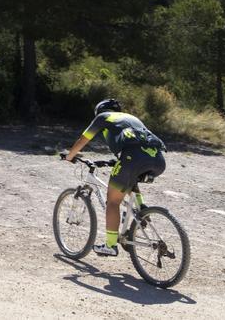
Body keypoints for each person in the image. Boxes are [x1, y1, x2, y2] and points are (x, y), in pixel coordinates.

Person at [63, 98, 167, 256]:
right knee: (130, 179)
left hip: (133, 158)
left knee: (113, 202)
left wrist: (70, 156)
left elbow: (83, 139)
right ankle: (141, 212)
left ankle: (110, 246)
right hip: (158, 161)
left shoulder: (103, 117)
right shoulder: (131, 118)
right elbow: (138, 143)